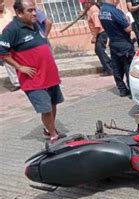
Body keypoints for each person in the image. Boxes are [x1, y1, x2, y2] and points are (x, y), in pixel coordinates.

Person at [0, 0, 65, 143]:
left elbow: (45, 30)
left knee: (53, 103)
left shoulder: (35, 25)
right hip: (33, 79)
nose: (34, 13)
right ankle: (54, 135)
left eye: (34, 9)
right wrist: (19, 67)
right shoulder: (11, 30)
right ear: (19, 13)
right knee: (45, 108)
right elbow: (2, 52)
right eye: (30, 10)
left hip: (49, 75)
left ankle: (49, 130)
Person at [99, 0, 134, 97]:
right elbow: (128, 29)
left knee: (116, 67)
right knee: (128, 65)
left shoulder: (101, 11)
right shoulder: (116, 12)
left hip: (113, 42)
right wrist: (129, 20)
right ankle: (132, 90)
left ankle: (122, 89)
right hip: (123, 42)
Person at [80, 0, 113, 76]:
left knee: (100, 51)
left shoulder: (94, 10)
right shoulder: (90, 9)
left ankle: (109, 69)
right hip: (99, 33)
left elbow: (97, 25)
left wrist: (94, 37)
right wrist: (84, 12)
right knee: (98, 51)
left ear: (88, 3)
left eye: (83, 4)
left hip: (100, 33)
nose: (83, 6)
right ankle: (109, 66)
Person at [0, 0, 20, 88]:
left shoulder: (8, 12)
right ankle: (16, 83)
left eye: (2, 2)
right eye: (0, 3)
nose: (2, 4)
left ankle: (24, 78)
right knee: (8, 61)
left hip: (14, 39)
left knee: (19, 58)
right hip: (2, 41)